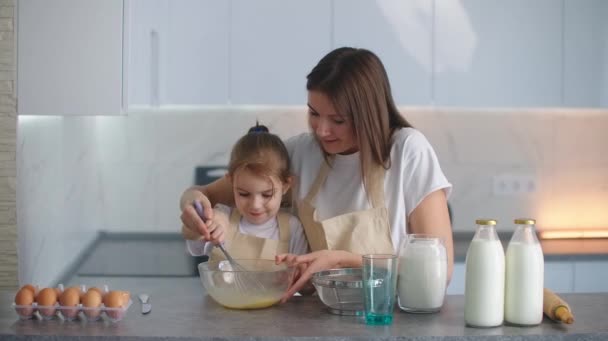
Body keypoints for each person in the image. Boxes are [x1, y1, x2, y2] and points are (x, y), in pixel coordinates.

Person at [180, 47, 453, 301]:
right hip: (321, 320)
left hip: (388, 318)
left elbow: (439, 273)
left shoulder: (407, 151)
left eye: (338, 120)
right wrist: (193, 209)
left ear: (368, 115)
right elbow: (202, 194)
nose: (322, 130)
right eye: (313, 113)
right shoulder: (301, 153)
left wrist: (345, 260)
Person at [182, 124, 309, 261]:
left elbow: (301, 270)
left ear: (285, 186)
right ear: (231, 182)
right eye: (244, 194)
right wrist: (202, 228)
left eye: (267, 195)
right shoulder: (222, 217)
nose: (255, 205)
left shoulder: (292, 228)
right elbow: (194, 247)